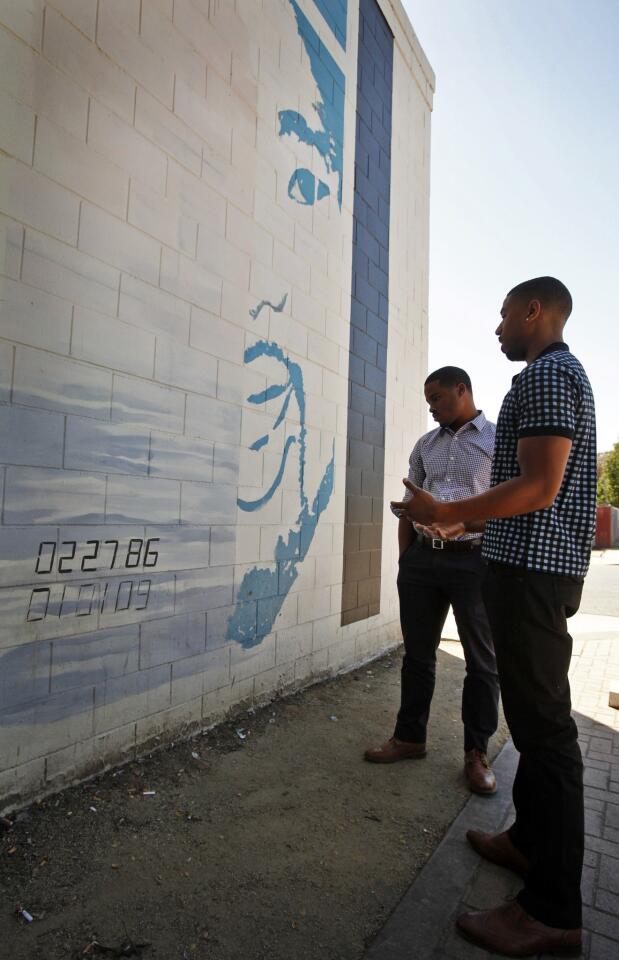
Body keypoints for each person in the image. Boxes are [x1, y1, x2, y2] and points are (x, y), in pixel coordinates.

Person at [391, 278, 596, 957]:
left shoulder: (543, 376)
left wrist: (446, 513)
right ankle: (526, 843)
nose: (497, 327)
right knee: (537, 729)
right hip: (529, 571)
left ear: (533, 311)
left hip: (532, 574)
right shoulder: (554, 375)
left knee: (545, 735)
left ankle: (551, 911)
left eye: (505, 314)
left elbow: (539, 486)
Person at [365, 367, 500, 796]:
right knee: (418, 655)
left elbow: (509, 509)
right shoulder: (426, 445)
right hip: (423, 563)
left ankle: (476, 754)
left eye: (437, 398)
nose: (431, 408)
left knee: (482, 661)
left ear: (462, 390)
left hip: (474, 562)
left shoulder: (498, 440)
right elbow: (410, 504)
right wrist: (407, 560)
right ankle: (410, 738)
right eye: (428, 401)